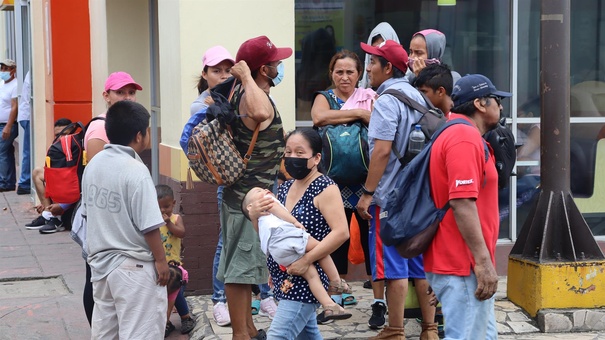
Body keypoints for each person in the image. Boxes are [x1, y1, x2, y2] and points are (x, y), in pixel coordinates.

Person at [356, 40, 438, 339]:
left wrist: (368, 193)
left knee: (394, 266)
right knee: (418, 263)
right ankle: (429, 329)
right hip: (420, 197)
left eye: (373, 63)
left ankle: (395, 329)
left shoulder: (388, 99)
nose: (368, 69)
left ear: (388, 67)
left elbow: (381, 151)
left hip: (390, 197)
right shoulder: (419, 95)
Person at [215, 35, 289, 340]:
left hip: (249, 194)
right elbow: (259, 115)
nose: (279, 66)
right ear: (262, 69)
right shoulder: (250, 94)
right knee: (239, 268)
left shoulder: (247, 91)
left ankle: (247, 329)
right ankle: (240, 335)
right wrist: (245, 75)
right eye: (274, 63)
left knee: (245, 267)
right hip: (246, 198)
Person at [425, 74, 509, 339]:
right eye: (497, 100)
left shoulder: (459, 131)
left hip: (462, 264)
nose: (501, 106)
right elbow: (461, 202)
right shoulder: (463, 137)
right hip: (463, 263)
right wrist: (482, 263)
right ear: (480, 104)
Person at [247, 128, 350, 339]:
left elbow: (341, 232)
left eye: (300, 153)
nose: (292, 158)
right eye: (288, 152)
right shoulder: (285, 189)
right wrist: (255, 217)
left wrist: (307, 260)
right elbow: (272, 233)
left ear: (316, 158)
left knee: (278, 335)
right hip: (287, 275)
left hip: (307, 279)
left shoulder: (325, 187)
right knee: (307, 335)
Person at [82, 100, 169, 339]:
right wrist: (161, 262)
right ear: (140, 135)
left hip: (100, 267)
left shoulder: (94, 164)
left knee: (105, 333)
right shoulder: (136, 170)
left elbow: (89, 215)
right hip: (134, 267)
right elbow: (149, 225)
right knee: (141, 332)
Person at [310, 49, 376, 321]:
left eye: (350, 72)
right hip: (332, 182)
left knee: (370, 235)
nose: (345, 77)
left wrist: (363, 111)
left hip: (365, 181)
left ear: (359, 74)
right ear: (331, 73)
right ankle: (335, 292)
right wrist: (359, 113)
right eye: (339, 71)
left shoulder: (370, 96)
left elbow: (376, 121)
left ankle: (379, 297)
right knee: (335, 236)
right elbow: (319, 118)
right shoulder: (323, 98)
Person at [82, 71, 142, 326]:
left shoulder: (129, 125)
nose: (127, 97)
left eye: (131, 92)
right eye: (120, 92)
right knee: (96, 277)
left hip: (119, 219)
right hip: (103, 215)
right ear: (106, 96)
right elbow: (100, 179)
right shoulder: (99, 128)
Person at [242, 187, 352, 320]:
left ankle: (329, 306)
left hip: (277, 251)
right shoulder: (266, 202)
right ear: (250, 206)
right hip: (286, 236)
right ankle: (336, 282)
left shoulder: (259, 219)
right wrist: (294, 222)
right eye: (258, 191)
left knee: (311, 275)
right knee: (321, 249)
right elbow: (278, 210)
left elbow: (261, 234)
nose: (264, 190)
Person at [156, 184, 196, 336]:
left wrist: (168, 223)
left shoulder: (176, 218)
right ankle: (165, 322)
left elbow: (181, 233)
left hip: (175, 267)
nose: (162, 211)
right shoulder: (153, 221)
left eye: (166, 206)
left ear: (173, 203)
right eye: (159, 207)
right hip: (160, 267)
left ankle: (185, 317)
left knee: (176, 291)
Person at [24, 118, 73, 229]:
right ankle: (48, 214)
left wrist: (61, 206)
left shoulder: (78, 148)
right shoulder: (55, 149)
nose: (61, 138)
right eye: (58, 135)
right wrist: (47, 203)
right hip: (60, 190)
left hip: (71, 194)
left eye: (65, 134)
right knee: (38, 172)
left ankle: (54, 216)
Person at [359, 22, 400, 89]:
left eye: (382, 48)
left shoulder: (409, 82)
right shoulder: (362, 91)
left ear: (388, 67)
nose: (368, 69)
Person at [0, 59, 19, 192]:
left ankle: (5, 182)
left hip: (8, 125)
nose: (3, 71)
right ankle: (9, 181)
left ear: (13, 70)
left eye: (6, 69)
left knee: (1, 151)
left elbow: (14, 107)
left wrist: (8, 126)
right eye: (2, 68)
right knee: (6, 152)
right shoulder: (2, 84)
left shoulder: (15, 85)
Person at [17, 70, 31, 195]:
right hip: (28, 116)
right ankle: (25, 182)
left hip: (26, 116)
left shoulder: (29, 73)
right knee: (29, 151)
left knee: (28, 151)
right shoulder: (33, 73)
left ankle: (25, 181)